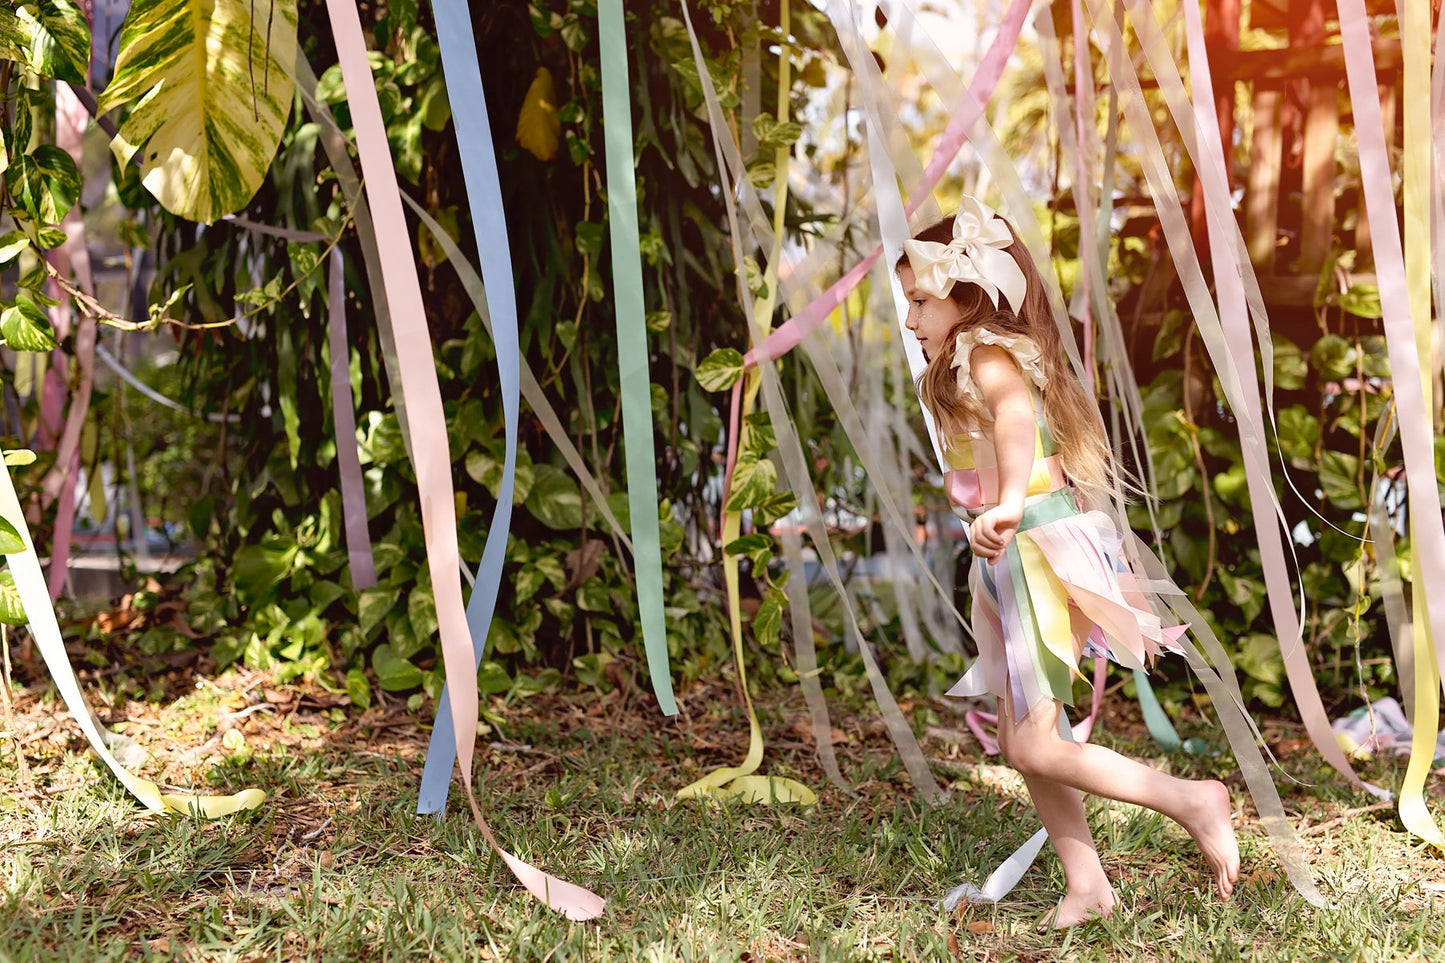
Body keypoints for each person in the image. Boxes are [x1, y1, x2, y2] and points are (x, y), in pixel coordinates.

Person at [899, 197, 1239, 928]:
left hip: (1030, 545)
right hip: (1005, 552)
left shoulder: (983, 352)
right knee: (1026, 744)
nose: (910, 320)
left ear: (966, 293)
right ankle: (1087, 885)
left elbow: (1015, 415)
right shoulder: (959, 359)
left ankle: (1192, 799)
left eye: (920, 301)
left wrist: (1007, 503)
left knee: (1033, 743)